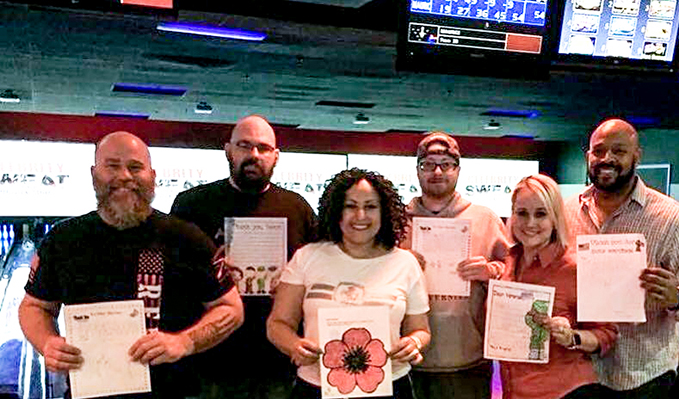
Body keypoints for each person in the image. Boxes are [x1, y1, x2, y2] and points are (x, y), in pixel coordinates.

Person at [18, 131, 244, 398]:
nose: (124, 176)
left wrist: (184, 342)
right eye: (112, 166)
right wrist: (47, 342)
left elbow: (231, 309)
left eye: (135, 167)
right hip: (88, 391)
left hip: (171, 392)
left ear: (153, 176)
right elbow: (34, 306)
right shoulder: (62, 239)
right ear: (94, 174)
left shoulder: (187, 238)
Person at [170, 114, 317, 399]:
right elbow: (173, 277)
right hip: (213, 357)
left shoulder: (297, 208)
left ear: (276, 156)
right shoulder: (192, 204)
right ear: (228, 150)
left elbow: (319, 272)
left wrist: (291, 285)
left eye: (263, 148)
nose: (254, 155)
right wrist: (210, 272)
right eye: (244, 146)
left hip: (278, 358)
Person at [565, 118, 679, 398]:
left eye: (618, 151)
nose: (606, 159)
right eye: (599, 151)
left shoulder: (672, 219)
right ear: (588, 157)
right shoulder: (567, 212)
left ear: (636, 156)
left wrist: (677, 298)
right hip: (580, 370)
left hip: (644, 375)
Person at [267, 168, 431, 399]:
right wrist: (293, 345)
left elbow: (421, 329)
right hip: (316, 387)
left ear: (385, 212)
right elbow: (278, 324)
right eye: (350, 206)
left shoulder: (405, 263)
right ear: (336, 211)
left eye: (371, 206)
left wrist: (413, 343)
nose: (360, 215)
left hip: (390, 386)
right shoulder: (307, 257)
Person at [399, 131, 509, 399]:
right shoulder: (397, 222)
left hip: (468, 361)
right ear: (417, 171)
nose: (437, 172)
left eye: (446, 164)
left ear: (458, 170)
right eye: (428, 164)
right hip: (406, 359)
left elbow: (518, 274)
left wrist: (491, 271)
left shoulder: (485, 218)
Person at [500, 174, 618, 399]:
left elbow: (607, 333)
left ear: (555, 218)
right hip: (513, 390)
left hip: (563, 391)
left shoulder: (577, 268)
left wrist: (572, 337)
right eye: (522, 213)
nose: (530, 223)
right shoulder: (510, 260)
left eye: (541, 214)